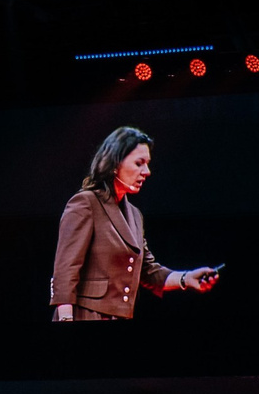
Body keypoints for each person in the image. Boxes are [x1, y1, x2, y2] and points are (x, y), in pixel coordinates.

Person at [49, 127, 221, 321]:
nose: (146, 172)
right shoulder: (86, 202)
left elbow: (148, 271)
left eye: (147, 164)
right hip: (86, 315)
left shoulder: (134, 215)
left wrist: (186, 278)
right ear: (115, 164)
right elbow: (65, 270)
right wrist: (65, 318)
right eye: (139, 163)